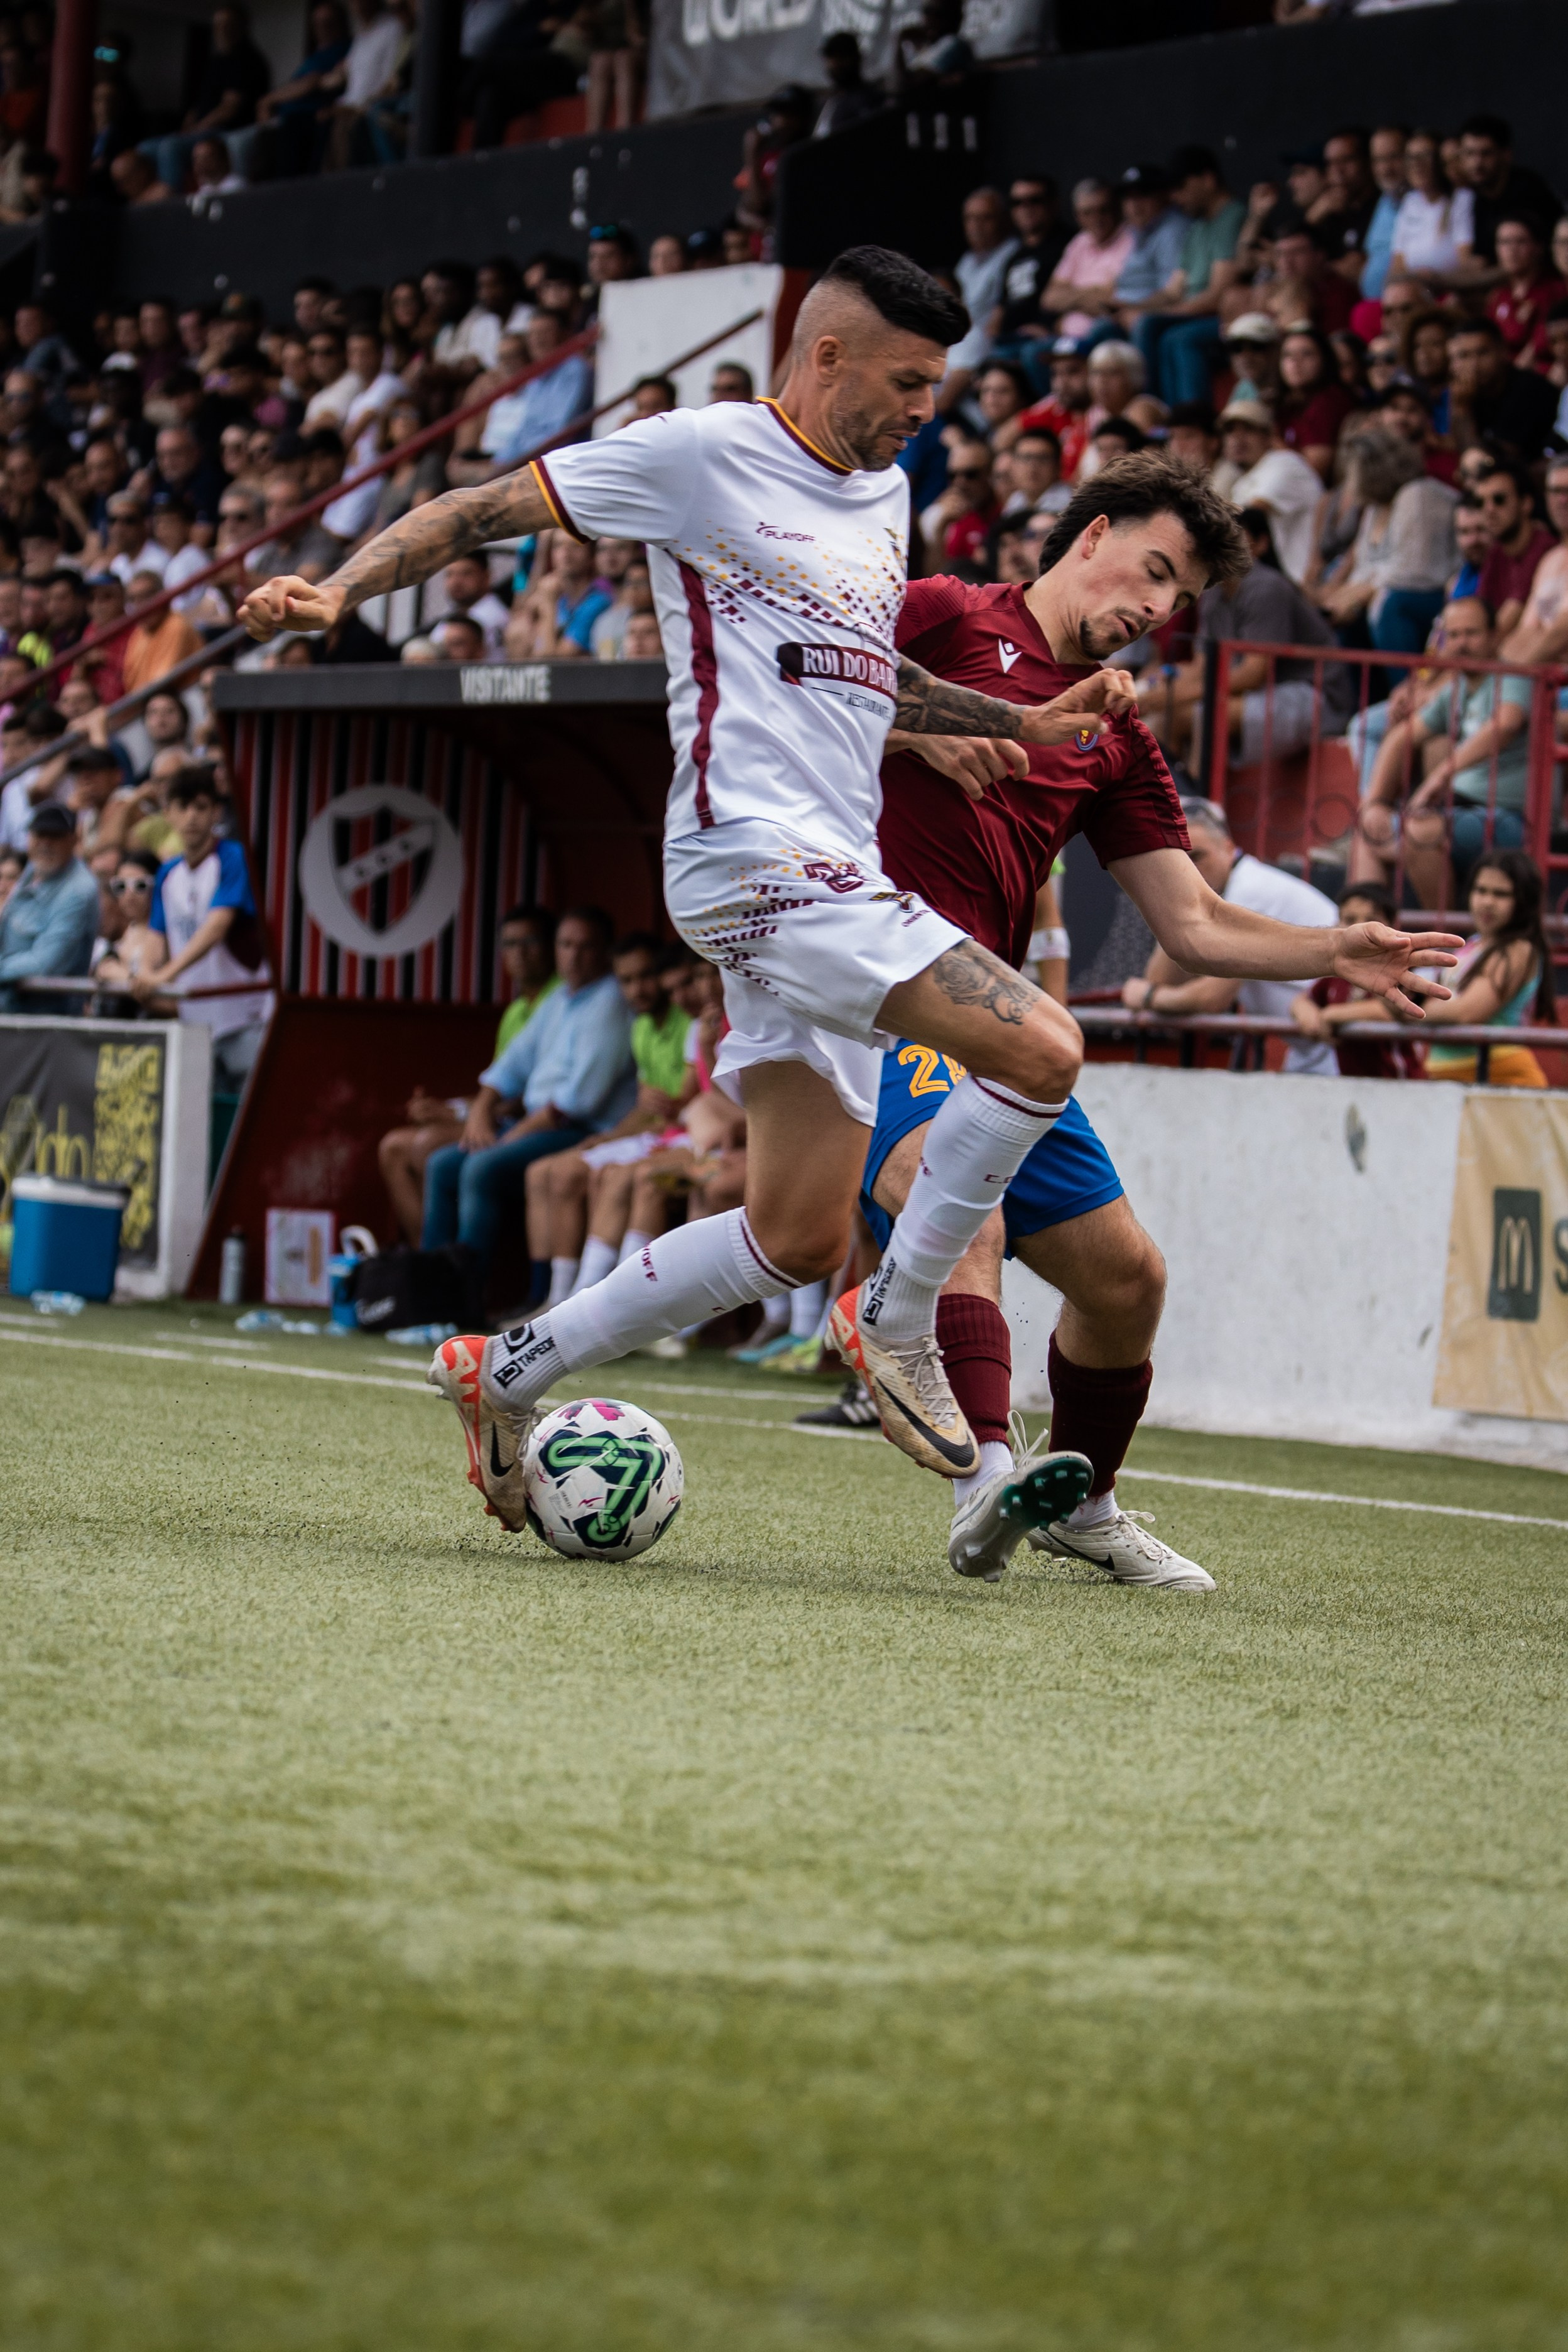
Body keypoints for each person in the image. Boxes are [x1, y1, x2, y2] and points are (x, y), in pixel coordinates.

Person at [239, 248, 1457, 1540]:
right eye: (908, 380)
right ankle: (901, 1318)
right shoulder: (698, 452)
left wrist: (1021, 729)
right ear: (826, 356)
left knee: (794, 1232)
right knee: (1044, 1045)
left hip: (818, 882)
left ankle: (512, 1368)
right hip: (752, 852)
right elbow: (482, 511)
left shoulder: (884, 497)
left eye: (938, 385)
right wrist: (343, 589)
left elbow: (871, 680)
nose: (926, 408)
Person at [861, 466, 1460, 1587]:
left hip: (992, 1020)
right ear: (1092, 533)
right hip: (863, 992)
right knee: (963, 1227)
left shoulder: (1115, 733)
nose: (1155, 609)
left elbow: (1191, 921)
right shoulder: (942, 613)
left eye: (1177, 601)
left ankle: (1082, 1502)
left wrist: (1338, 946)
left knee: (1128, 1281)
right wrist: (917, 734)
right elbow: (790, 687)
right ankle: (987, 1480)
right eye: (1155, 571)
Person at [419, 907, 636, 1293]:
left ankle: (468, 1297)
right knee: (442, 1164)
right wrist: (482, 1111)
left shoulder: (610, 1001)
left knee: (480, 1168)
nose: (574, 955)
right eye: (566, 945)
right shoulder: (560, 998)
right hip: (539, 1124)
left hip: (584, 1131)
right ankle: (430, 1291)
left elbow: (577, 1103)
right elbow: (509, 1066)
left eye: (586, 947)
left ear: (605, 952)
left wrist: (512, 1133)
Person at [1123, 796, 1342, 1075]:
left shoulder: (1250, 891)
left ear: (1228, 848)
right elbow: (1162, 978)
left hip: (1340, 1048)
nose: (1189, 870)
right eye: (1179, 860)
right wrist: (1176, 905)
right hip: (1316, 1050)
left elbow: (1212, 998)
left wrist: (1150, 997)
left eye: (1197, 857)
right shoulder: (1230, 888)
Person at [378, 904, 557, 1243]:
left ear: (550, 946)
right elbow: (501, 1087)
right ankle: (427, 1266)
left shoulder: (562, 999)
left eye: (530, 941)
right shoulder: (517, 1011)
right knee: (394, 1147)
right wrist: (449, 1108)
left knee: (428, 1145)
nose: (519, 953)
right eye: (510, 944)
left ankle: (449, 1268)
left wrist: (458, 1113)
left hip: (538, 1125)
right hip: (506, 1119)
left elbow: (532, 1099)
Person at [1355, 595, 1533, 906]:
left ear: (1495, 635)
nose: (1461, 643)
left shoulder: (1513, 675)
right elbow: (1402, 736)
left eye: (1471, 634)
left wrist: (1439, 776)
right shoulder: (1457, 687)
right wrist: (1374, 803)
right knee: (1369, 831)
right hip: (1462, 813)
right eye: (1453, 635)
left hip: (1510, 818)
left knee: (1421, 833)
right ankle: (1366, 939)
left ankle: (1446, 945)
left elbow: (1505, 724)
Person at [132, 766, 273, 1087]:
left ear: (216, 813)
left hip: (245, 1019)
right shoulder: (168, 874)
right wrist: (145, 973)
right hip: (194, 1023)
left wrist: (161, 977)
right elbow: (157, 936)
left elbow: (216, 928)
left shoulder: (234, 857)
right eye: (182, 807)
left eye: (200, 807)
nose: (191, 817)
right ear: (168, 814)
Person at [1420, 849, 1555, 1089]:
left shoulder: (1518, 949)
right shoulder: (1471, 945)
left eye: (1501, 894)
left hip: (1500, 1080)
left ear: (1523, 900)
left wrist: (1412, 1009)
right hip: (1455, 1079)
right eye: (1481, 890)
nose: (1488, 902)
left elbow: (1467, 1013)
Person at [1132, 146, 1246, 409]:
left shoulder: (1233, 216)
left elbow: (1218, 295)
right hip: (1192, 313)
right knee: (1143, 323)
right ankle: (1153, 413)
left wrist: (1167, 313)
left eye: (1180, 186)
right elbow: (1173, 290)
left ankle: (1188, 419)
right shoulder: (1196, 227)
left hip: (1222, 317)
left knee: (1175, 337)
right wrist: (1131, 309)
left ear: (1208, 179)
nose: (1175, 197)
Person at [1290, 880, 1422, 1079]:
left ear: (1392, 926)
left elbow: (1390, 1011)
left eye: (1371, 920)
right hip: (1354, 1084)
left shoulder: (1398, 966)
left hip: (1401, 1084)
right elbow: (1304, 999)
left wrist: (1332, 1015)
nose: (1360, 929)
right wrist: (1308, 1015)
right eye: (1350, 920)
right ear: (1336, 924)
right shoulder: (1338, 970)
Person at [0, 802, 99, 1011]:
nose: (45, 843)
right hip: (12, 1011)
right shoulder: (33, 869)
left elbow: (45, 964)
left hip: (47, 1027)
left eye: (55, 836)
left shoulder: (79, 890)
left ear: (74, 839)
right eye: (40, 835)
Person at [1219, 398, 1324, 586]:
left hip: (1301, 584)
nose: (1238, 438)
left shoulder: (1285, 462)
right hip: (1274, 585)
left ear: (1270, 436)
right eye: (1230, 431)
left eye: (1248, 430)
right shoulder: (1242, 482)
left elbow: (1253, 516)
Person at [1473, 464, 1554, 639]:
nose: (1489, 510)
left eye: (1499, 500)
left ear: (1526, 503)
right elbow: (1479, 614)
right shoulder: (1496, 552)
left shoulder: (1544, 548)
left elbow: (1501, 628)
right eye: (1480, 503)